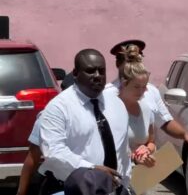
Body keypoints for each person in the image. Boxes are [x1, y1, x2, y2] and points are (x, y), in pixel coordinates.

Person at [37, 49, 132, 195]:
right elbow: (54, 151)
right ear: (75, 74)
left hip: (113, 189)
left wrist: (126, 184)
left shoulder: (117, 104)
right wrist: (92, 168)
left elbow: (123, 151)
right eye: (90, 71)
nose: (97, 76)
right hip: (71, 189)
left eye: (101, 71)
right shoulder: (58, 108)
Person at [107, 40, 188, 148]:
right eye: (129, 58)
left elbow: (164, 121)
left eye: (136, 58)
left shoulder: (151, 91)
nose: (141, 91)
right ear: (118, 63)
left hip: (143, 162)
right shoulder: (106, 94)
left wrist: (184, 134)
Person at [17, 72, 76, 195]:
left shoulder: (98, 114)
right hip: (59, 183)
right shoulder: (48, 116)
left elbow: (32, 158)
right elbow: (33, 157)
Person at [118, 46, 156, 167]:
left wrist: (147, 150)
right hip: (116, 175)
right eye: (136, 87)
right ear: (124, 84)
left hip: (140, 177)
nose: (141, 91)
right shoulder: (111, 109)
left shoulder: (146, 108)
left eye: (144, 86)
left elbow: (151, 142)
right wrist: (133, 156)